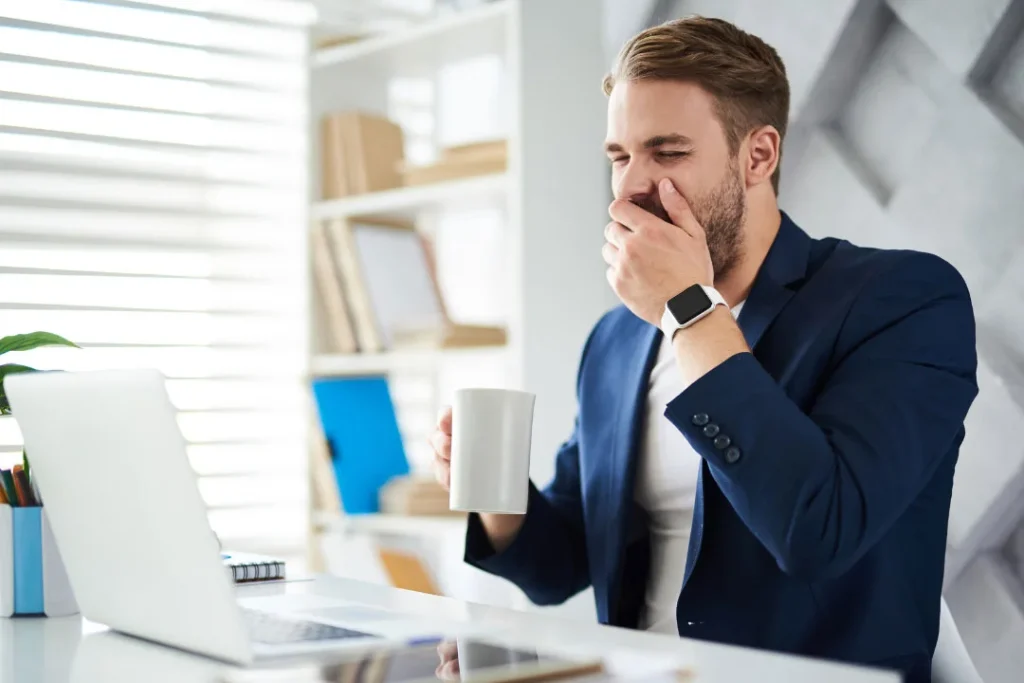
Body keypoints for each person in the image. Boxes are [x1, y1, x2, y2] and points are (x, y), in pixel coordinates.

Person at [429, 16, 977, 683]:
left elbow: (819, 529)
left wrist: (690, 309)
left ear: (759, 155)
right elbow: (563, 563)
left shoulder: (904, 300)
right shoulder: (618, 339)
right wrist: (495, 490)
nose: (631, 186)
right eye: (619, 156)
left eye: (667, 152)